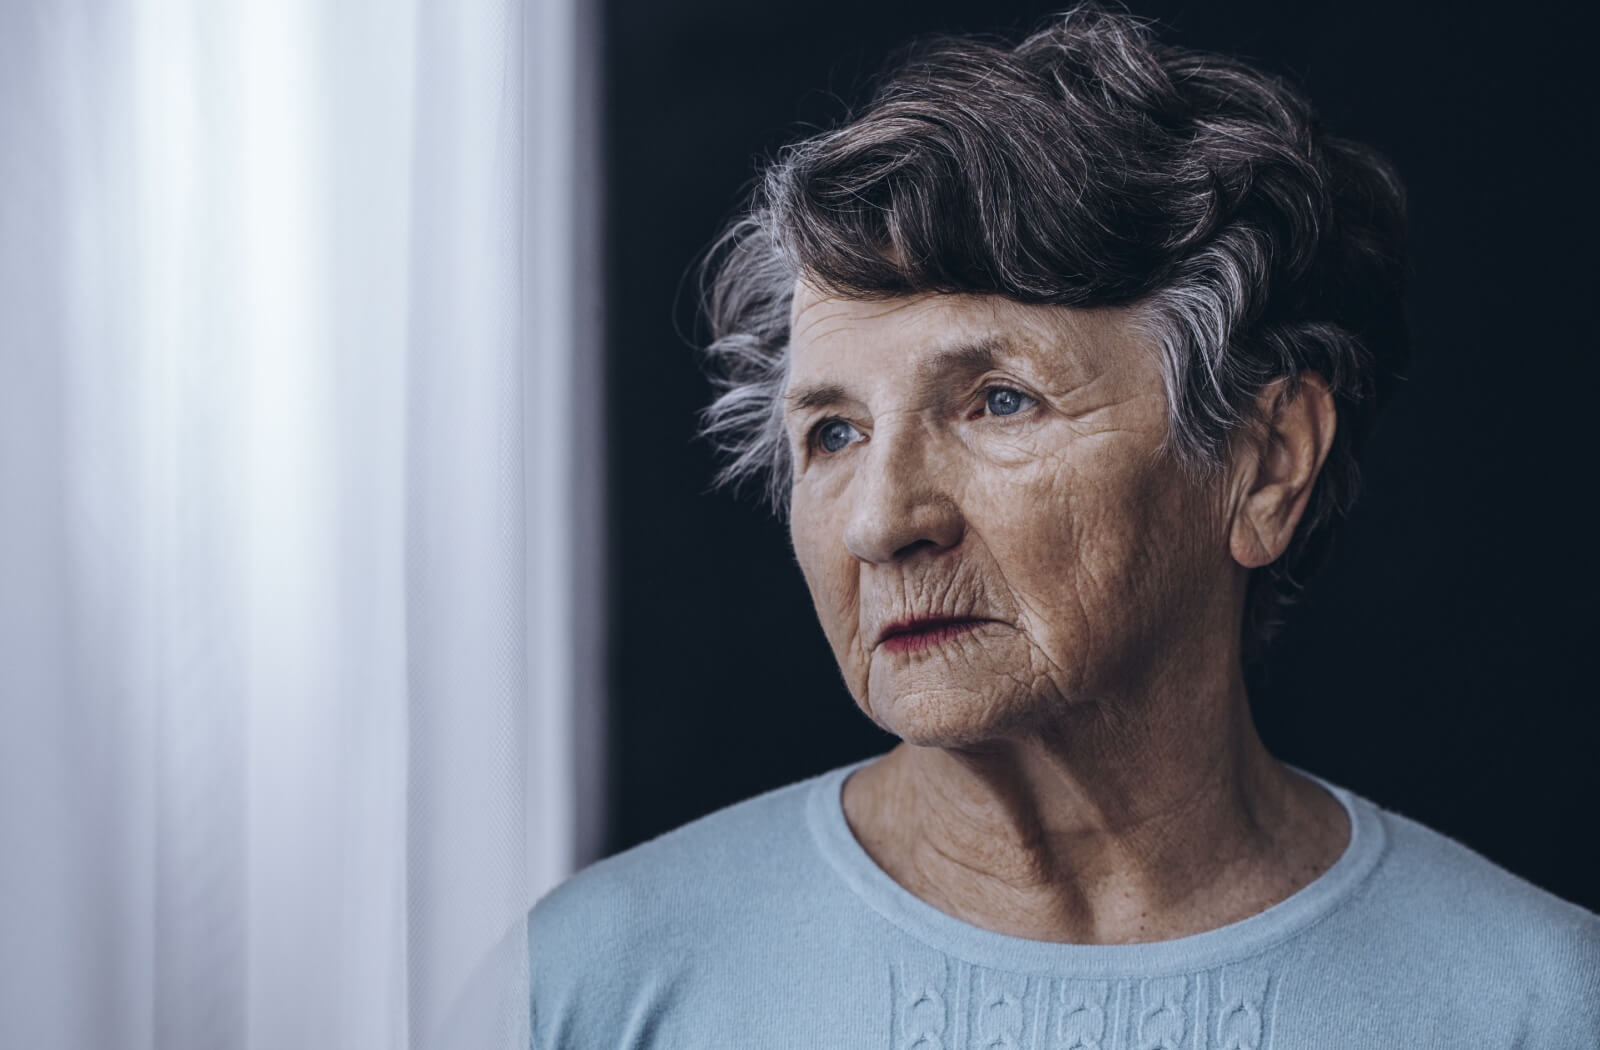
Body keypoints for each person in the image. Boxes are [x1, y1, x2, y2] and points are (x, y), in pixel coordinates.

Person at [528, 6, 1600, 1046]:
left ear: (1266, 463)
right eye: (834, 432)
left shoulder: (1541, 1007)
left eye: (999, 401)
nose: (882, 522)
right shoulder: (585, 984)